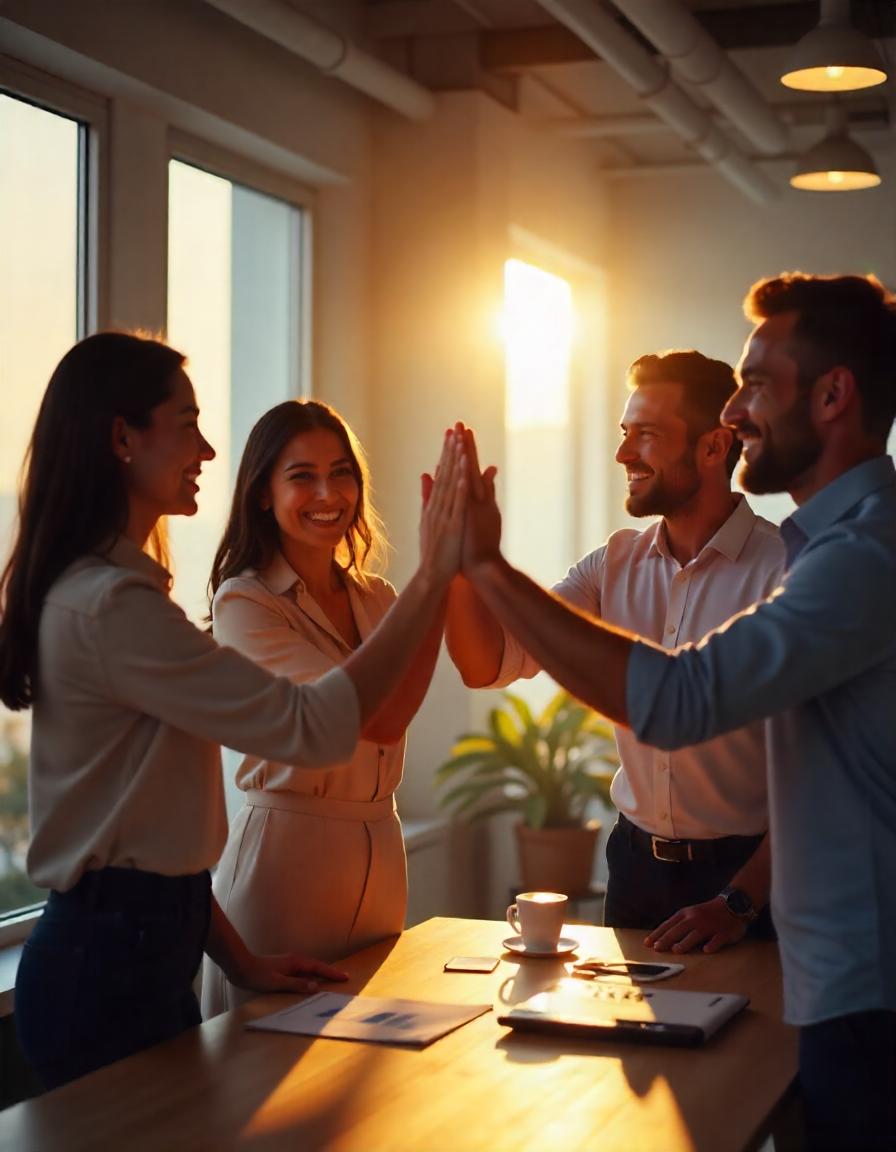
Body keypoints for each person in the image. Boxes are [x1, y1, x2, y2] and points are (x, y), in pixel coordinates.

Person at [456, 273, 896, 1150]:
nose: (738, 413)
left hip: (859, 974)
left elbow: (681, 700)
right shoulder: (825, 548)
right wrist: (463, 571)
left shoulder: (854, 557)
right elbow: (488, 662)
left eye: (757, 384)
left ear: (834, 394)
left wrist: (485, 565)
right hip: (767, 933)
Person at [0, 332, 466, 1090]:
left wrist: (242, 959)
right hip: (105, 965)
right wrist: (436, 572)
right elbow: (317, 726)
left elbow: (161, 845)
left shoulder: (127, 594)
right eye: (187, 423)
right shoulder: (116, 605)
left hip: (150, 943)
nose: (209, 449)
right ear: (124, 437)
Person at [446, 351, 785, 953]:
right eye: (625, 434)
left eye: (646, 436)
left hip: (747, 884)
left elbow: (812, 775)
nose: (624, 454)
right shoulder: (612, 562)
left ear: (714, 446)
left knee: (746, 1047)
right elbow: (486, 664)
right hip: (634, 871)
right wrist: (456, 561)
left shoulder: (785, 570)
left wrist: (739, 901)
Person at [201, 400, 447, 1015]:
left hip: (381, 852)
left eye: (342, 472)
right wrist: (437, 580)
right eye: (301, 476)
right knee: (264, 1078)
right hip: (286, 864)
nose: (327, 492)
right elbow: (370, 721)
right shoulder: (245, 604)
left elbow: (396, 715)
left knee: (366, 1081)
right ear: (262, 494)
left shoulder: (379, 596)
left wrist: (434, 588)